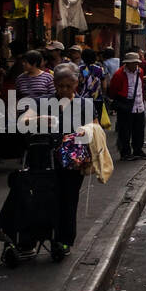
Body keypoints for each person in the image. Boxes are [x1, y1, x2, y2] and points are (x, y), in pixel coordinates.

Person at [51, 63, 92, 257]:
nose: (65, 90)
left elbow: (93, 129)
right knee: (50, 199)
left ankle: (64, 240)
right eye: (61, 86)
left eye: (69, 86)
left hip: (73, 162)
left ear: (76, 84)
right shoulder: (46, 103)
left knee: (68, 200)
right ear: (55, 84)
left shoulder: (84, 104)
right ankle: (48, 236)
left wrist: (82, 156)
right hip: (49, 160)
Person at [108, 53, 146, 161]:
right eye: (133, 63)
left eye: (136, 63)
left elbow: (140, 87)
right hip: (126, 105)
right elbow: (113, 90)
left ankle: (138, 150)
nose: (135, 65)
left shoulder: (140, 72)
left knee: (139, 130)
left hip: (138, 105)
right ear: (127, 63)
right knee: (125, 131)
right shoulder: (119, 74)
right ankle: (125, 152)